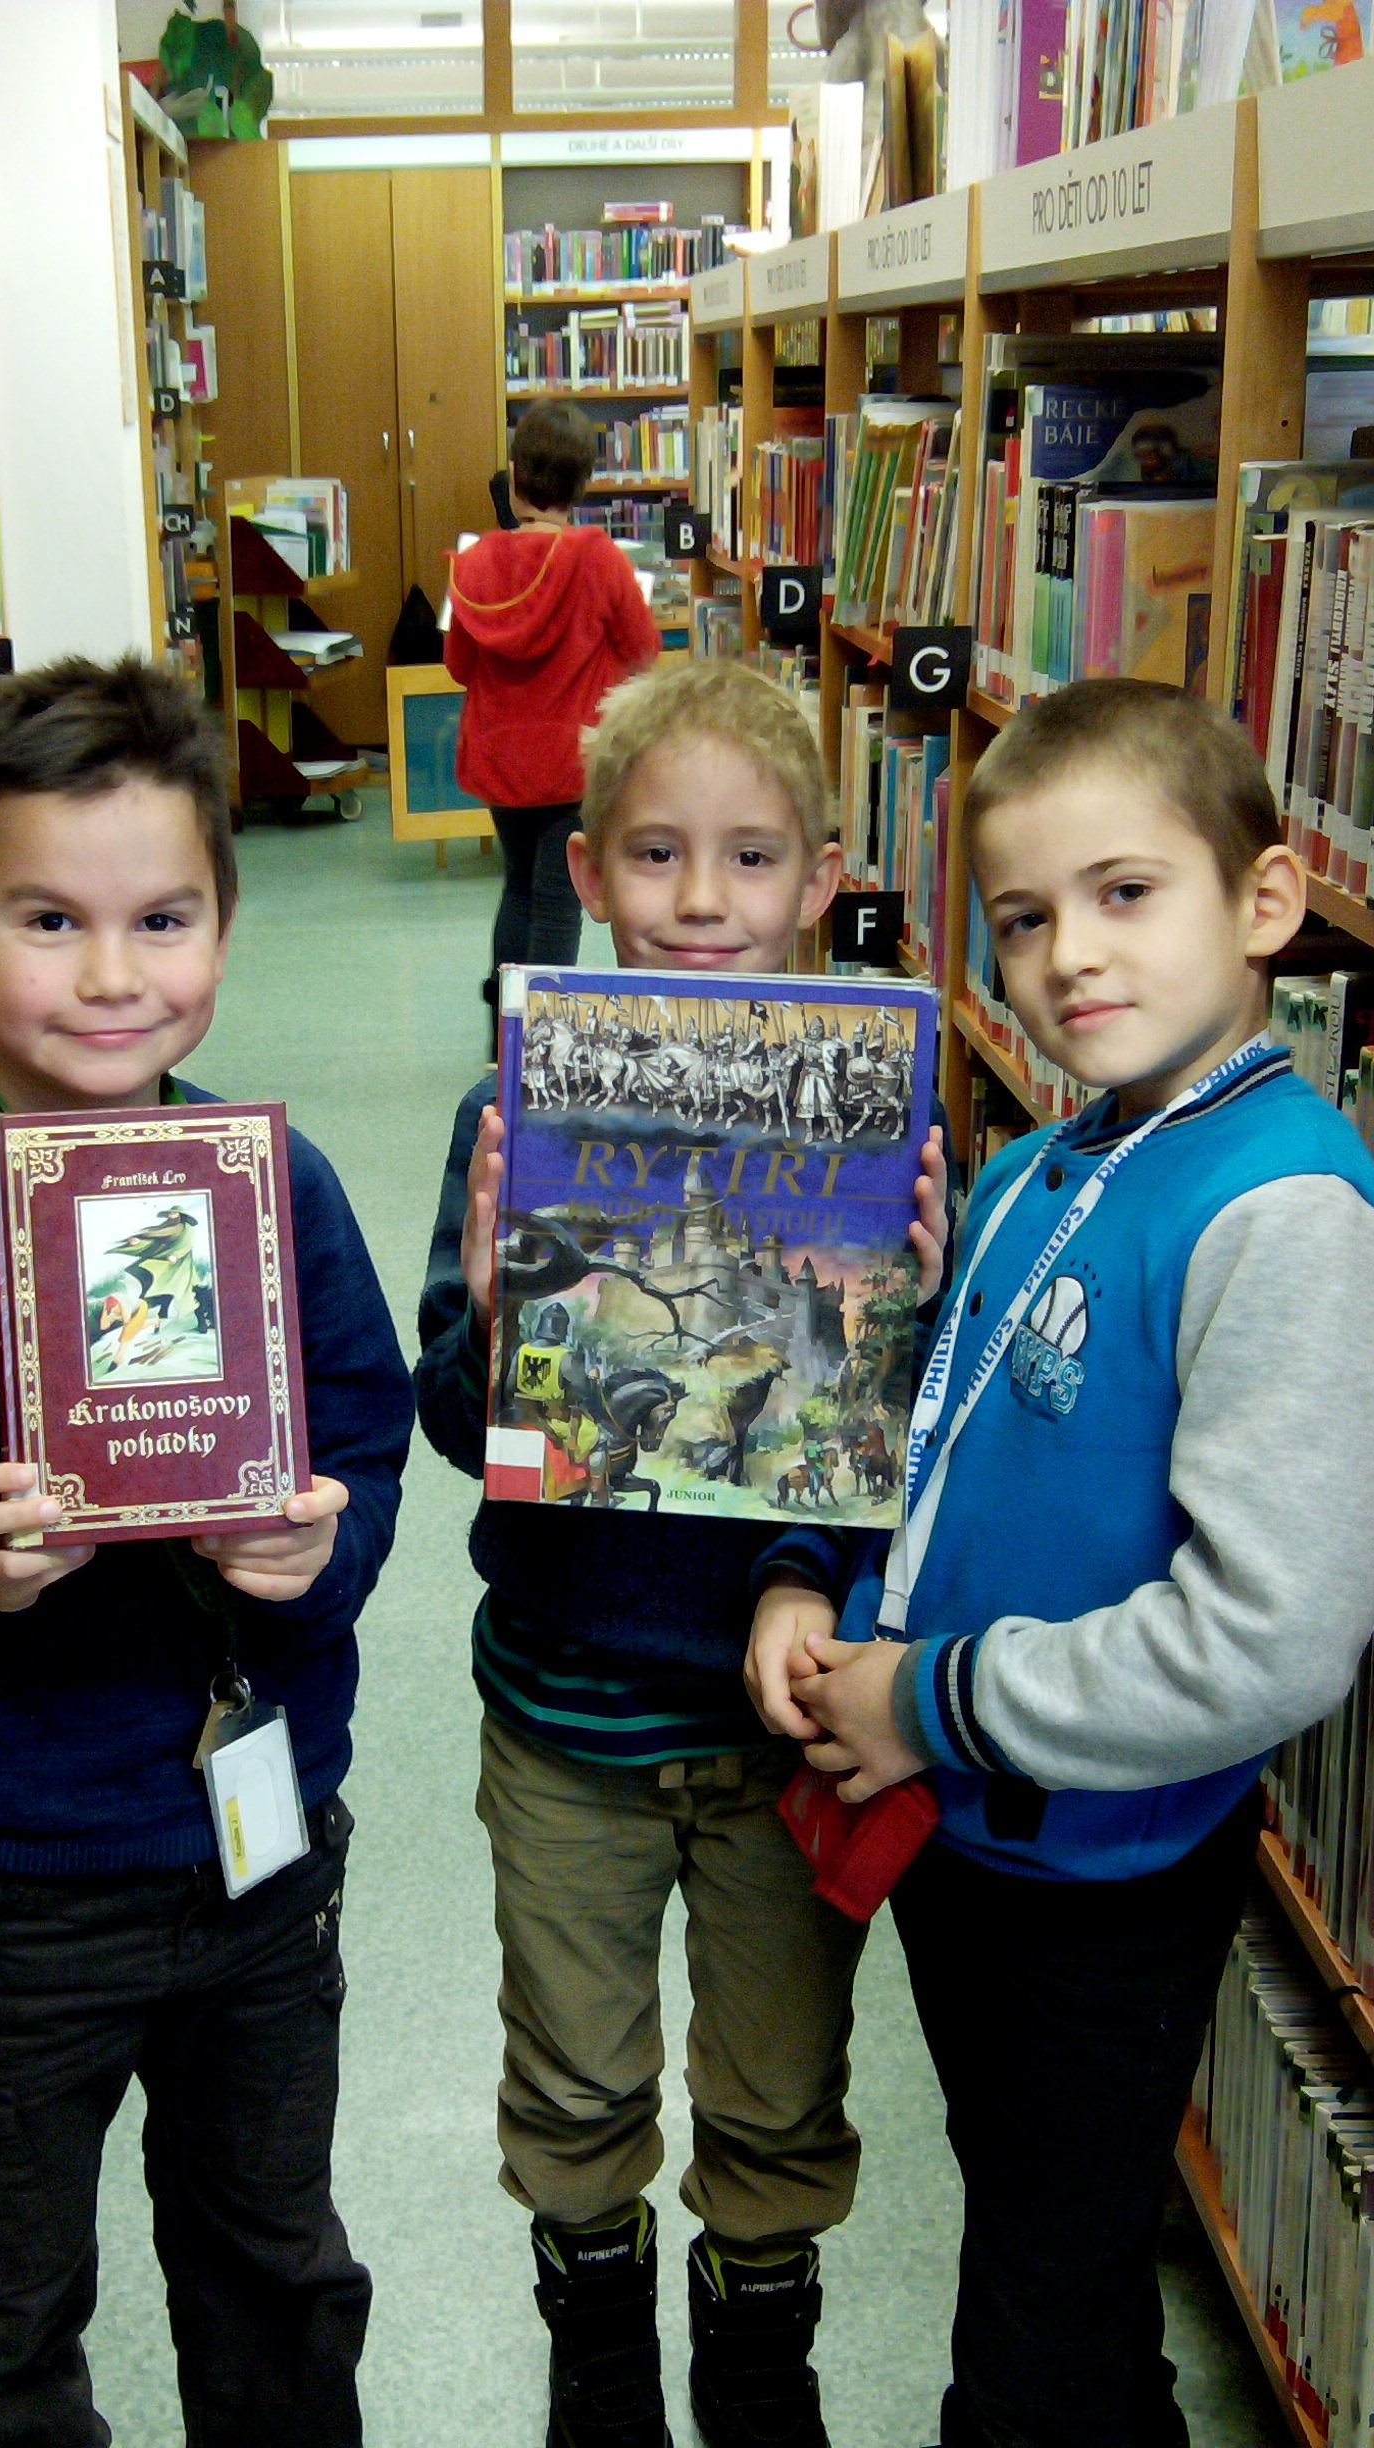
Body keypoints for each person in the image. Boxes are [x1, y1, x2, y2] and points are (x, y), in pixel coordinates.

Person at [0, 655, 414, 2448]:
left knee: (273, 2264)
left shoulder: (279, 1189)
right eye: (49, 919)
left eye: (161, 919)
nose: (113, 976)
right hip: (6, 1883)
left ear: (223, 925)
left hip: (258, 1852)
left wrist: (314, 1554)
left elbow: (363, 1439)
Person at [757, 676, 1374, 2448]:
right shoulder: (1050, 1161)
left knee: (1031, 2335)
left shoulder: (1287, 1221)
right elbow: (949, 1440)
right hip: (971, 1831)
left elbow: (1265, 1641)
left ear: (1261, 902)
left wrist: (929, 1697)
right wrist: (827, 1594)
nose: (1069, 956)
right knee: (1054, 2253)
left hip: (1097, 1878)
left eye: (1125, 893)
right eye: (1023, 918)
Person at [417, 659, 950, 2448]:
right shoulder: (508, 1112)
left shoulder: (879, 1113)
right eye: (655, 854)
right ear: (583, 869)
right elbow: (456, 1426)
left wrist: (911, 1300)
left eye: (749, 856)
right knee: (573, 2067)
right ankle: (593, 2345)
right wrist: (493, 1314)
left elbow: (895, 1451)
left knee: (779, 2080)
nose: (701, 898)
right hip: (566, 1711)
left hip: (785, 1724)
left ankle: (758, 2348)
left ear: (822, 879)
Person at [447, 399, 662, 1002]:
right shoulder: (597, 558)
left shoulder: (475, 563)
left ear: (514, 476)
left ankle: (505, 1031)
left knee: (518, 889)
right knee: (558, 901)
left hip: (500, 761)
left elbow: (459, 665)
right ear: (583, 483)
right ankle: (543, 1035)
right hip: (574, 763)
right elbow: (644, 651)